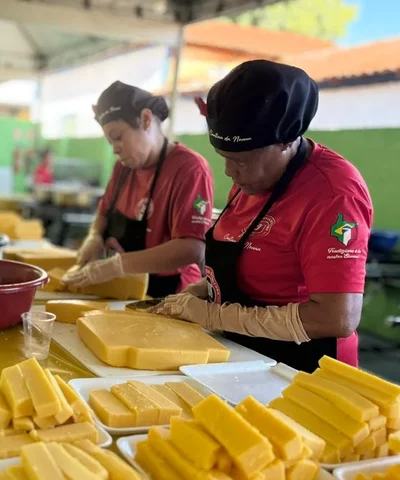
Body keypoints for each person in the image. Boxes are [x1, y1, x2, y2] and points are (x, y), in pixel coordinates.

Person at [151, 60, 372, 372]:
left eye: (241, 160)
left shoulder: (334, 193)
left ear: (287, 140)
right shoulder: (252, 179)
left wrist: (215, 316)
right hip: (245, 353)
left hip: (303, 368)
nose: (229, 172)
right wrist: (204, 289)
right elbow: (254, 264)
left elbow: (336, 318)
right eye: (224, 158)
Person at [62, 81, 214, 298]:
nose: (114, 149)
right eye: (109, 141)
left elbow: (192, 248)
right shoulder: (123, 168)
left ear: (146, 120)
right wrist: (94, 237)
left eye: (117, 137)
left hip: (168, 295)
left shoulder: (190, 169)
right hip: (123, 291)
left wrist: (117, 266)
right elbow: (104, 213)